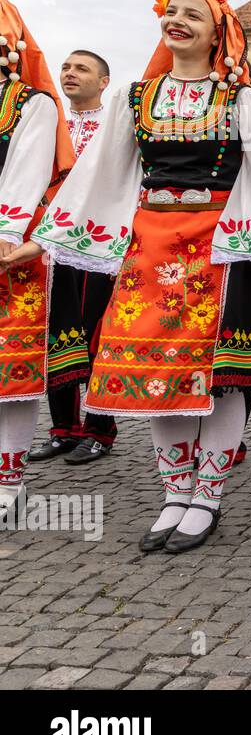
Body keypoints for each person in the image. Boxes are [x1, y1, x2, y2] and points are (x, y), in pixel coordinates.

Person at [33, 0, 251, 552]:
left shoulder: (240, 99)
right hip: (152, 247)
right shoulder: (135, 98)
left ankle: (207, 494)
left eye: (194, 15)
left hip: (220, 249)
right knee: (157, 371)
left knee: (223, 378)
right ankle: (175, 492)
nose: (178, 20)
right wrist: (58, 235)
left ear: (218, 33)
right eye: (172, 11)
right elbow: (102, 173)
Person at [0, 0, 87, 519]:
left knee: (8, 370)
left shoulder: (31, 103)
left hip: (8, 245)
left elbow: (24, 175)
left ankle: (8, 477)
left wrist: (5, 233)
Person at [28, 50, 118, 466]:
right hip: (49, 247)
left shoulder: (116, 129)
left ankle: (100, 430)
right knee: (55, 334)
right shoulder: (49, 127)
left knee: (100, 337)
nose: (69, 73)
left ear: (104, 82)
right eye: (65, 67)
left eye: (81, 68)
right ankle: (64, 429)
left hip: (102, 246)